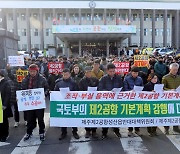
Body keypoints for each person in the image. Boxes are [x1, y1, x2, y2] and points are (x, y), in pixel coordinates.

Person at [22, 64, 49, 141]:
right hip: (29, 103)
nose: (32, 73)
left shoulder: (42, 79)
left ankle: (41, 132)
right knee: (29, 119)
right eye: (30, 71)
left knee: (40, 118)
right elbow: (22, 89)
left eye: (33, 71)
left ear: (37, 71)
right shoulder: (25, 79)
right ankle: (29, 132)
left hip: (39, 102)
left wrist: (45, 94)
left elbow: (47, 88)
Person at [98, 63, 123, 139]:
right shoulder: (103, 78)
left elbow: (122, 87)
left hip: (116, 101)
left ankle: (116, 130)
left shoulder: (118, 78)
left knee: (116, 116)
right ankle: (104, 132)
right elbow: (100, 88)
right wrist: (108, 92)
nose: (112, 73)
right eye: (110, 71)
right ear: (107, 71)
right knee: (106, 117)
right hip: (107, 101)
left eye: (113, 71)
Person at [54, 68, 80, 140]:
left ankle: (75, 131)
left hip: (72, 103)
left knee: (73, 118)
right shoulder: (58, 82)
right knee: (63, 118)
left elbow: (77, 92)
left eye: (67, 75)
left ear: (70, 74)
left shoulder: (73, 82)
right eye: (64, 75)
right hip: (62, 103)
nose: (65, 76)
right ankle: (63, 132)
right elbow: (55, 92)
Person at [78, 66, 99, 138]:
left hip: (94, 101)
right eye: (87, 72)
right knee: (86, 116)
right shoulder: (82, 81)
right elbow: (80, 91)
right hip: (86, 100)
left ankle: (94, 131)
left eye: (90, 72)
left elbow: (99, 88)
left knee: (94, 116)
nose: (89, 74)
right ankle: (87, 130)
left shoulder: (95, 80)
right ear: (85, 73)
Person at [123, 66, 143, 137]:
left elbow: (142, 87)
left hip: (137, 99)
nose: (135, 74)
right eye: (134, 73)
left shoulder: (140, 79)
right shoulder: (127, 79)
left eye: (137, 73)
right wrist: (130, 91)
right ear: (131, 72)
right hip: (130, 99)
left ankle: (137, 129)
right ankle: (130, 130)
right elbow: (125, 89)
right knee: (130, 114)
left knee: (138, 114)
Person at [162, 63, 180, 134]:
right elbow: (163, 88)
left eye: (176, 70)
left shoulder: (179, 77)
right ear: (170, 69)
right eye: (174, 70)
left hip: (177, 98)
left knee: (176, 112)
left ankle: (176, 127)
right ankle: (166, 128)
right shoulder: (165, 77)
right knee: (168, 112)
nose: (175, 71)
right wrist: (170, 90)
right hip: (168, 98)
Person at [0, 70, 12, 142]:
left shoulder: (6, 83)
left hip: (3, 105)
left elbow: (8, 94)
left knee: (4, 121)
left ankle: (5, 135)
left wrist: (5, 104)